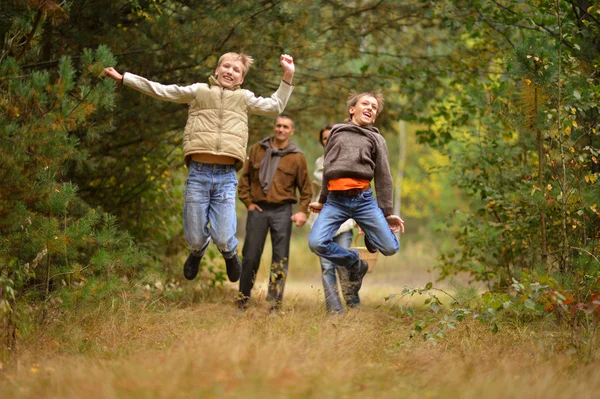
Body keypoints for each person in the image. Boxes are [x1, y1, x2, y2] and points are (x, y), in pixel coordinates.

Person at [103, 52, 295, 284]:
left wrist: (288, 75)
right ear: (216, 70)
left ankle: (230, 253)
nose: (230, 72)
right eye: (226, 66)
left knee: (224, 236)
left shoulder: (244, 98)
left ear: (242, 79)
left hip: (225, 177)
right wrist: (125, 79)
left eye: (236, 70)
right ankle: (197, 252)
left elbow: (275, 105)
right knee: (194, 237)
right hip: (198, 174)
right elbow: (163, 90)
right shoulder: (199, 91)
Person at [308, 91, 404, 299]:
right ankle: (354, 262)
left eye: (374, 107)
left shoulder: (377, 139)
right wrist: (322, 200)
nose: (370, 108)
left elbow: (384, 177)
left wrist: (387, 213)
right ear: (352, 109)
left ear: (375, 116)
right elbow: (328, 169)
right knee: (316, 242)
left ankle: (371, 235)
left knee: (389, 247)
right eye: (365, 104)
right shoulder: (336, 133)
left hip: (363, 201)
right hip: (335, 201)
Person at [237, 115, 312, 311]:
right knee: (250, 256)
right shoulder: (257, 150)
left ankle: (274, 305)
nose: (281, 129)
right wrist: (248, 202)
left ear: (291, 131)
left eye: (286, 127)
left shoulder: (297, 157)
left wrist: (303, 211)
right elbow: (244, 179)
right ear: (274, 127)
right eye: (278, 125)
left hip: (282, 211)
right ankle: (242, 301)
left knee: (280, 259)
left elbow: (306, 189)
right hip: (258, 210)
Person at [307, 124, 359, 314]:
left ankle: (353, 304)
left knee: (344, 265)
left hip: (344, 223)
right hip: (323, 223)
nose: (328, 141)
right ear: (321, 141)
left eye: (332, 137)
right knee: (327, 266)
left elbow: (357, 192)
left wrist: (361, 220)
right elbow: (315, 192)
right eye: (325, 138)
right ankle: (335, 311)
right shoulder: (319, 162)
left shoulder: (349, 161)